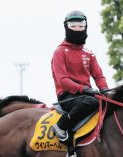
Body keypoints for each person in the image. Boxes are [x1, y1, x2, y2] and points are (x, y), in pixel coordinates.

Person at [51, 10, 108, 142]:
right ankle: (61, 126)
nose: (77, 30)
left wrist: (105, 90)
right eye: (73, 26)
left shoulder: (89, 53)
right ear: (66, 27)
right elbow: (63, 80)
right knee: (92, 102)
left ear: (85, 27)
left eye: (81, 27)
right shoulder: (59, 52)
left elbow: (98, 76)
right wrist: (83, 89)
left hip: (86, 94)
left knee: (108, 102)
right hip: (67, 96)